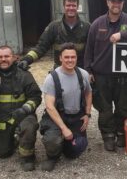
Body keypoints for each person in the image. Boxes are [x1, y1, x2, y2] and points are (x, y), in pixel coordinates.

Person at [84, 0, 127, 151]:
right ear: (108, 3)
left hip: (122, 75)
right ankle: (108, 136)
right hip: (101, 75)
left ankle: (121, 133)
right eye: (113, 1)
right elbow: (88, 49)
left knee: (122, 107)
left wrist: (122, 35)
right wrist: (88, 71)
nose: (116, 4)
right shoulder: (97, 24)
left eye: (119, 2)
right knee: (105, 109)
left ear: (122, 4)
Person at [40, 43, 92, 171]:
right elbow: (49, 107)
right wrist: (64, 129)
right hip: (56, 117)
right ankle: (52, 156)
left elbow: (88, 93)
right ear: (60, 58)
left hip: (75, 116)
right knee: (53, 141)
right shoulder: (52, 78)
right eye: (66, 57)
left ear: (76, 58)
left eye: (72, 57)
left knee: (77, 149)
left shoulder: (83, 74)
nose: (70, 60)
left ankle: (65, 145)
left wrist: (87, 114)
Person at [18, 0, 90, 69]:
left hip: (80, 70)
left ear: (77, 7)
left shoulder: (86, 27)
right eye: (68, 5)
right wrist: (27, 59)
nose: (71, 8)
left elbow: (92, 50)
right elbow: (41, 47)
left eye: (73, 5)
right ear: (64, 7)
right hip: (59, 71)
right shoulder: (54, 27)